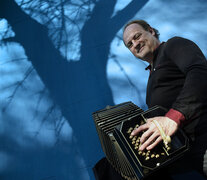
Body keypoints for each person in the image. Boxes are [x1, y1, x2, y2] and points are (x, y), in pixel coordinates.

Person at [123, 19, 207, 179]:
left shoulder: (173, 45)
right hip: (184, 150)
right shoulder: (152, 73)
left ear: (151, 31)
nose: (135, 44)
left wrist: (173, 118)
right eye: (130, 44)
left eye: (137, 36)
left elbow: (199, 73)